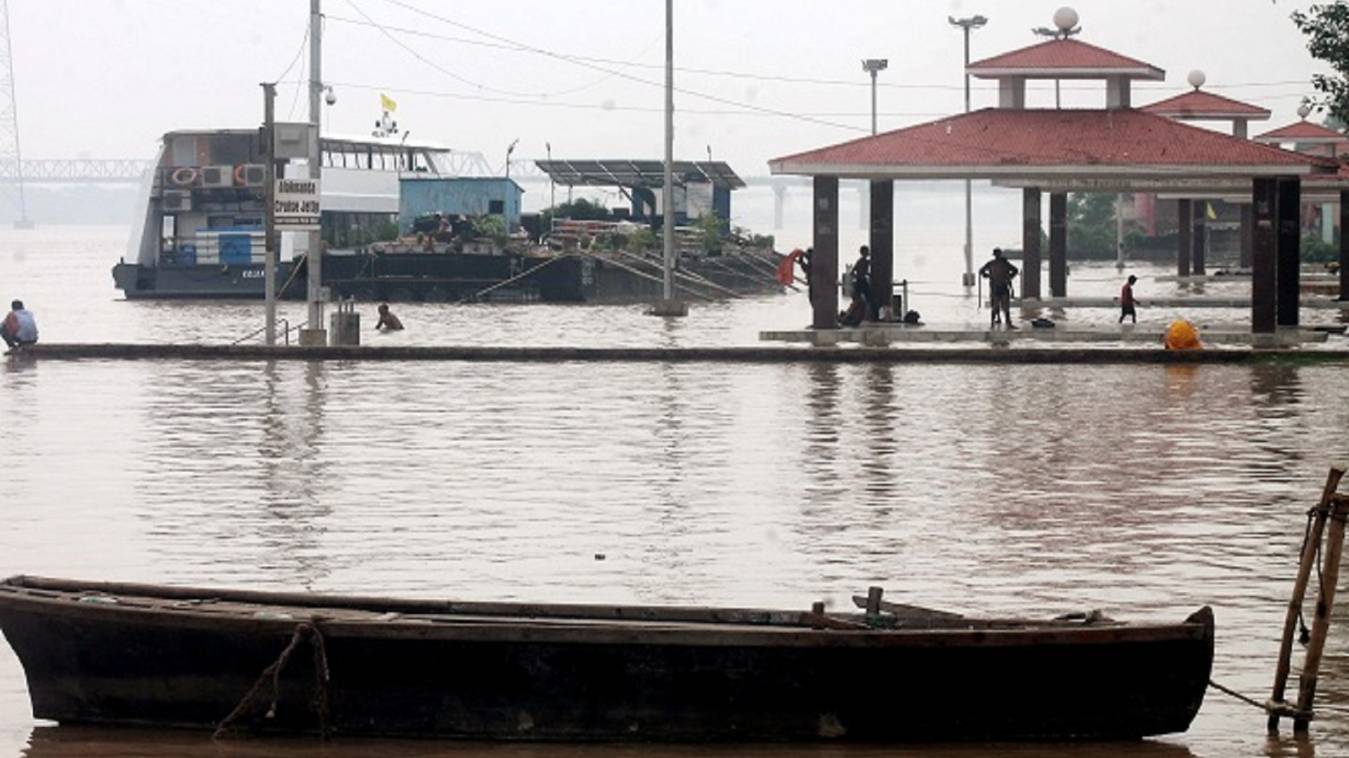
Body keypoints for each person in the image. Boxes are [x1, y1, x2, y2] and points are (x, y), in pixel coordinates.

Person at [978, 248, 1019, 329]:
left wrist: (988, 276)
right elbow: (981, 271)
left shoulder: (999, 263)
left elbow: (1015, 270)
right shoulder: (999, 263)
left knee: (1000, 306)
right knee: (999, 306)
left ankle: (998, 323)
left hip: (998, 287)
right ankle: (999, 323)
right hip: (998, 287)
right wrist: (988, 276)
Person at [850, 245, 875, 320]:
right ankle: (873, 316)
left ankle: (853, 314)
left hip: (858, 281)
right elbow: (864, 270)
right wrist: (865, 274)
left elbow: (852, 272)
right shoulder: (866, 262)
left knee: (857, 299)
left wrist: (857, 276)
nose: (868, 253)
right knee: (870, 298)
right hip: (862, 281)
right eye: (867, 251)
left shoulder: (859, 261)